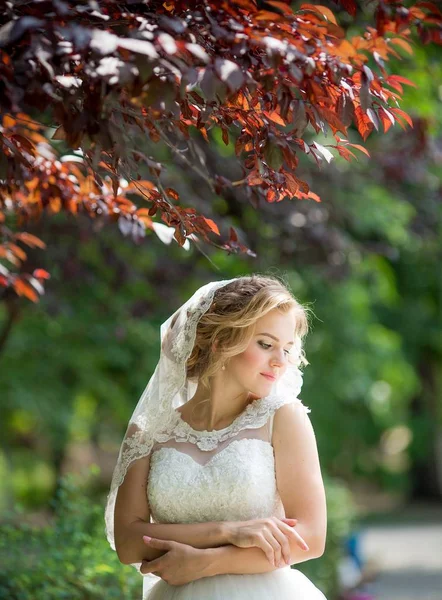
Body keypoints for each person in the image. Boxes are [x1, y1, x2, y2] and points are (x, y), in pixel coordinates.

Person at [105, 275, 328, 599]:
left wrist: (206, 563)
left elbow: (310, 537)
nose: (280, 361)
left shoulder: (284, 418)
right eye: (266, 344)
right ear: (221, 341)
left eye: (287, 349)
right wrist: (229, 531)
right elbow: (127, 542)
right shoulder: (149, 429)